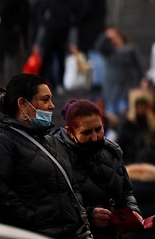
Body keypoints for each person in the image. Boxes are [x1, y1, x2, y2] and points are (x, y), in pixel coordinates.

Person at [0, 73, 91, 237]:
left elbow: (70, 185)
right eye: (45, 100)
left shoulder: (51, 140)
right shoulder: (3, 140)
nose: (52, 106)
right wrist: (31, 220)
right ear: (23, 104)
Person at [53, 98, 142, 239]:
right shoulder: (56, 158)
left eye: (98, 129)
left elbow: (126, 191)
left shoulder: (113, 151)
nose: (94, 137)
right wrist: (88, 216)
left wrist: (131, 210)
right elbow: (53, 208)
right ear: (70, 131)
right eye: (86, 132)